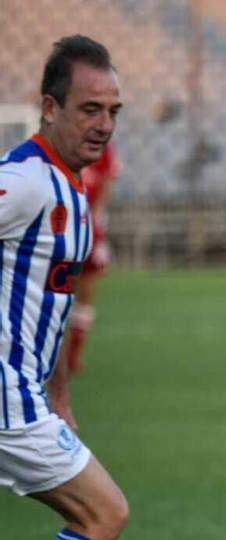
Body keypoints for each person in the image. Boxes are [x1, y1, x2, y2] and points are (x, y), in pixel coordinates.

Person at [0, 35, 132, 540]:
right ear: (48, 108)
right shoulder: (25, 181)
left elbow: (52, 300)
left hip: (27, 396)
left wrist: (61, 394)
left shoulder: (72, 188)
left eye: (113, 111)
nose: (104, 124)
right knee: (103, 512)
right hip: (4, 400)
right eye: (88, 109)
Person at [64, 136, 119, 375]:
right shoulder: (59, 139)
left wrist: (96, 215)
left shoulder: (101, 142)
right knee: (56, 292)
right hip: (60, 226)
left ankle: (73, 356)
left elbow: (108, 179)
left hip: (90, 228)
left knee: (86, 288)